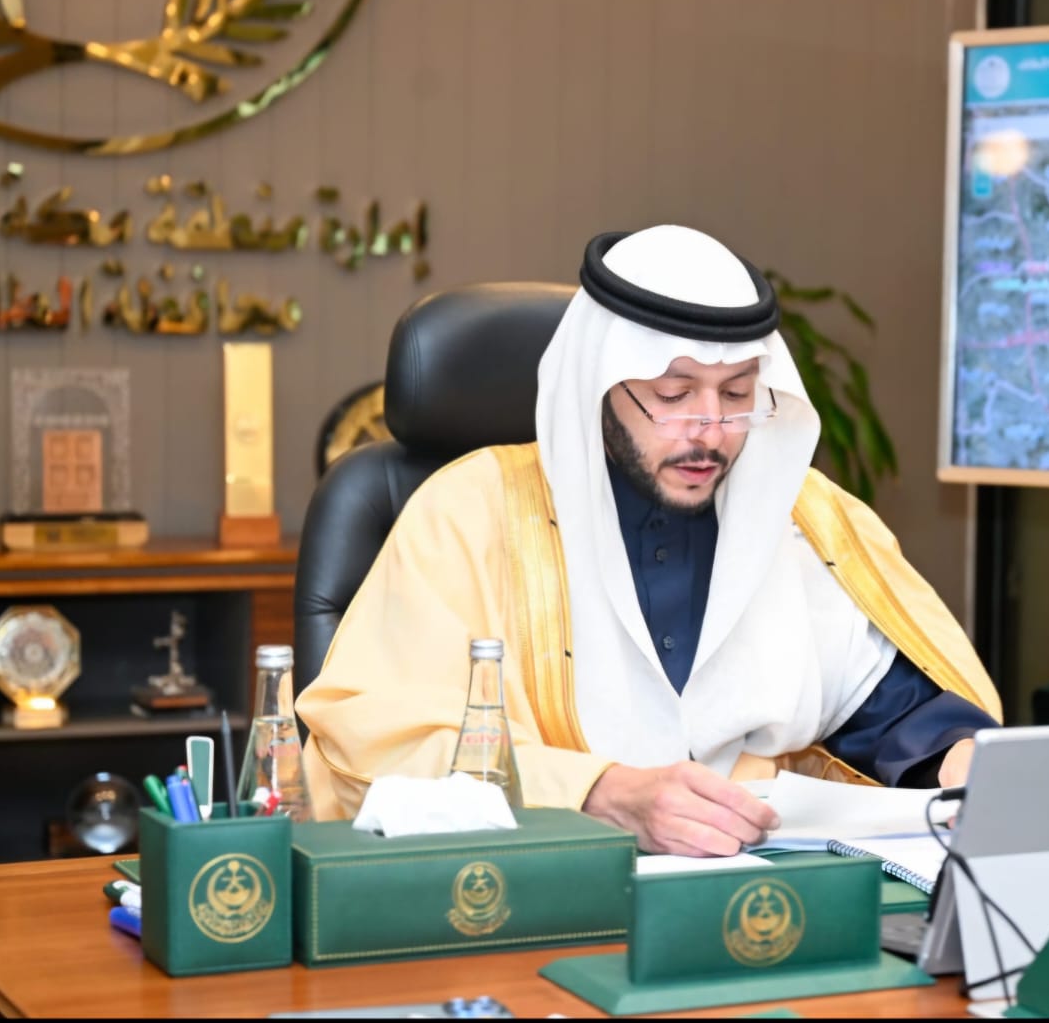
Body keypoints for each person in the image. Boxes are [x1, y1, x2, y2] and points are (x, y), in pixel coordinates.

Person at [297, 225, 1002, 856]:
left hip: (753, 898)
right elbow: (373, 741)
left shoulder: (803, 520)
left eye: (736, 394)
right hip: (543, 900)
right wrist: (596, 793)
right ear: (600, 385)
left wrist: (959, 757)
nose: (710, 431)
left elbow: (898, 707)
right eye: (673, 395)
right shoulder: (467, 513)